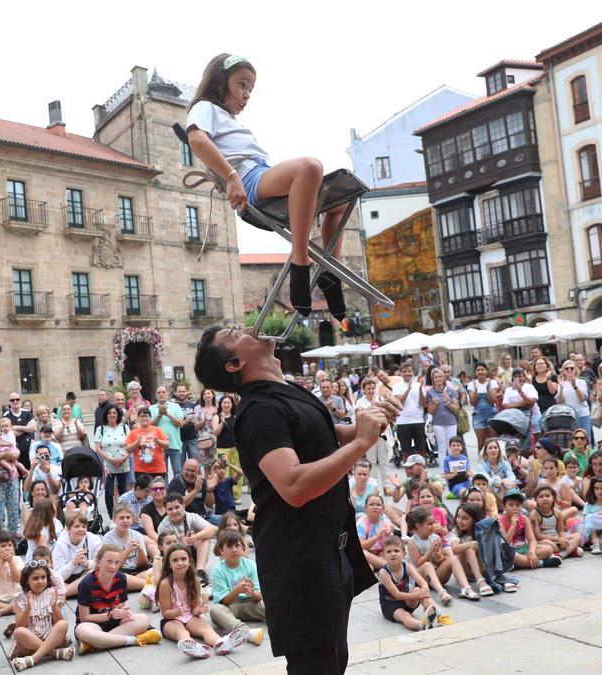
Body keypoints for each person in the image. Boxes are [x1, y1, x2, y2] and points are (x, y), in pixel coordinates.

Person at [194, 326, 398, 674]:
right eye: (233, 333)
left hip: (329, 555)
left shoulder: (287, 390)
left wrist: (371, 422)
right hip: (299, 566)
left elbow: (335, 436)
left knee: (335, 661)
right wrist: (362, 445)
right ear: (234, 363)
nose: (248, 327)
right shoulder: (259, 411)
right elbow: (293, 486)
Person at [184, 54, 348, 320]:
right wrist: (230, 177)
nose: (247, 94)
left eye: (250, 89)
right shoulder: (205, 108)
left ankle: (330, 274)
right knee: (310, 166)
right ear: (218, 84)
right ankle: (300, 263)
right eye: (242, 84)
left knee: (340, 201)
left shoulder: (232, 121)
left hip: (262, 173)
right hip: (249, 179)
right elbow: (196, 140)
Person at [157, 543, 244, 658]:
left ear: (189, 561)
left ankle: (221, 643)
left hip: (190, 616)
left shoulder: (195, 581)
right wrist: (176, 612)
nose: (180, 563)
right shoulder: (165, 584)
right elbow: (165, 613)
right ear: (169, 564)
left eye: (183, 559)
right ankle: (192, 648)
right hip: (170, 620)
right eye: (175, 560)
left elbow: (193, 610)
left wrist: (199, 610)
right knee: (182, 632)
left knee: (205, 628)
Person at [74, 545, 161, 653]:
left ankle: (95, 643)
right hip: (93, 624)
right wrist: (109, 615)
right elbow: (84, 618)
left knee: (143, 619)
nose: (113, 566)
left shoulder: (121, 579)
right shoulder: (86, 583)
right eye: (109, 562)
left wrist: (123, 612)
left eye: (117, 562)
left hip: (114, 623)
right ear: (98, 562)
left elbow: (121, 606)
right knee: (81, 630)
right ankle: (134, 640)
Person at [9, 560, 73, 670]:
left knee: (63, 624)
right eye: (35, 578)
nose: (40, 581)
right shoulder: (20, 597)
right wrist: (28, 609)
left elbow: (59, 622)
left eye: (43, 577)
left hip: (51, 638)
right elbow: (20, 625)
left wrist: (54, 607)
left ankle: (34, 659)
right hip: (30, 642)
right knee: (19, 632)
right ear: (27, 580)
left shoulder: (52, 592)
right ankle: (55, 653)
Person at [392, 362, 430, 464]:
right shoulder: (396, 386)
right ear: (400, 373)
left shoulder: (418, 385)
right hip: (403, 422)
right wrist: (408, 389)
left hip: (418, 421)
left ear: (413, 372)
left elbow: (423, 403)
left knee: (421, 450)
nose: (407, 373)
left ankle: (422, 474)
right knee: (406, 452)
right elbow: (400, 402)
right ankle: (409, 476)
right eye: (404, 371)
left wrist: (421, 390)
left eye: (409, 371)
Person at [125, 409, 168, 484]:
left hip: (158, 469)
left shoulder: (158, 430)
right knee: (142, 493)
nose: (144, 418)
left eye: (146, 416)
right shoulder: (133, 433)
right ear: (138, 418)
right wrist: (137, 442)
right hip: (140, 470)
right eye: (142, 416)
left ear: (150, 418)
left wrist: (157, 440)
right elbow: (128, 450)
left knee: (157, 492)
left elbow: (167, 445)